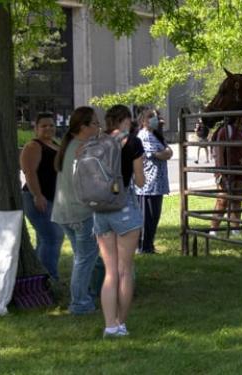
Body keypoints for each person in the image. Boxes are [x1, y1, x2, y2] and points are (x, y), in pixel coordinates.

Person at [93, 105, 145, 338]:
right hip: (123, 208)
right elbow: (142, 181)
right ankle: (120, 323)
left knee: (110, 272)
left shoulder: (96, 142)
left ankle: (109, 325)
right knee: (125, 271)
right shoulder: (133, 142)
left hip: (100, 209)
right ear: (125, 120)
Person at [52, 107, 100, 315]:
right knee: (84, 259)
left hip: (64, 213)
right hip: (80, 213)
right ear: (83, 127)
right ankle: (80, 303)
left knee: (82, 257)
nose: (99, 127)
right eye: (95, 123)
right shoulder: (82, 149)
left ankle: (86, 295)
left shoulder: (70, 146)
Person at [20, 112, 64, 280]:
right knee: (53, 237)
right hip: (37, 198)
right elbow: (29, 172)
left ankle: (40, 277)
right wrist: (37, 195)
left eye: (51, 125)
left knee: (45, 239)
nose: (48, 128)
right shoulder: (33, 146)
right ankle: (50, 279)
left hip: (52, 199)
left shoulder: (54, 144)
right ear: (36, 128)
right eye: (44, 125)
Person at [135, 111, 172, 254]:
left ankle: (149, 245)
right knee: (147, 217)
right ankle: (143, 246)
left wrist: (164, 153)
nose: (155, 120)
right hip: (148, 185)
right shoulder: (143, 136)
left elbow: (168, 152)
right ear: (144, 121)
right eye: (151, 117)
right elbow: (160, 154)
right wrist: (164, 153)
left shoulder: (156, 135)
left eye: (155, 117)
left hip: (159, 183)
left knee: (154, 216)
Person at [210, 116, 242, 237]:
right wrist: (221, 172)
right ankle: (214, 229)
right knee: (223, 200)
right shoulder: (226, 130)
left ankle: (235, 228)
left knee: (238, 199)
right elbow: (219, 151)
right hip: (227, 170)